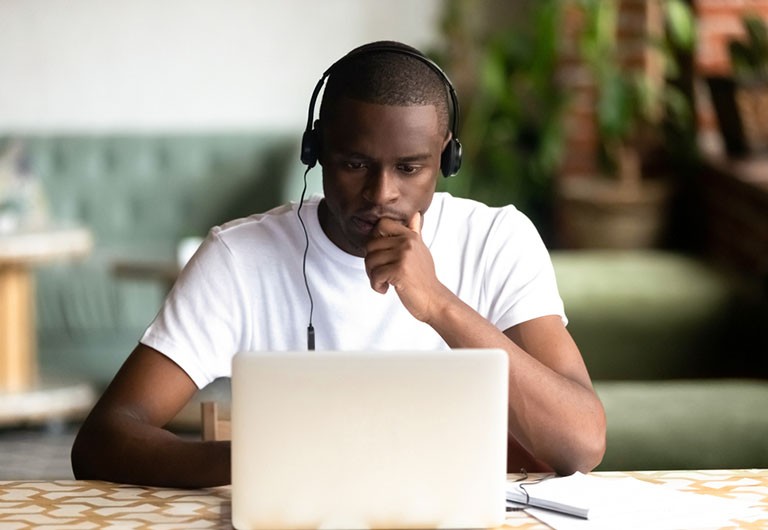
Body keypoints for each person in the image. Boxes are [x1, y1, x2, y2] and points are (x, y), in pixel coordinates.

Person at [71, 41, 606, 488]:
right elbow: (105, 438)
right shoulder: (239, 259)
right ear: (317, 150)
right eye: (354, 164)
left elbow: (581, 443)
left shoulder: (497, 240)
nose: (382, 193)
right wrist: (265, 461)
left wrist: (439, 303)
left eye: (410, 168)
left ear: (446, 158)